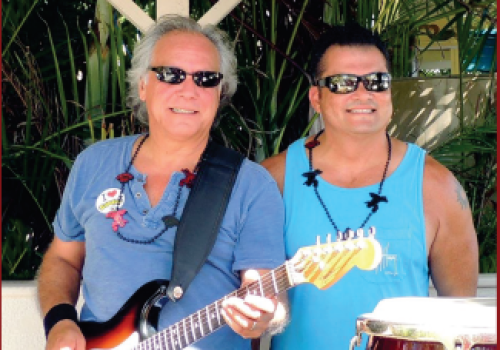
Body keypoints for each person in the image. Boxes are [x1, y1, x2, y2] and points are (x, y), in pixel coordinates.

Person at [38, 15, 287, 350]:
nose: (189, 90)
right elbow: (63, 259)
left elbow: (265, 292)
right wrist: (60, 322)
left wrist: (264, 315)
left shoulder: (250, 184)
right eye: (171, 75)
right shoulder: (93, 163)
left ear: (219, 93)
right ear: (143, 85)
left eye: (205, 78)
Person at [262, 23, 479, 350]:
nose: (362, 94)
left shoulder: (437, 187)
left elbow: (460, 322)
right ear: (316, 97)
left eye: (377, 81)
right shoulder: (272, 180)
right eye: (343, 83)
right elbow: (248, 308)